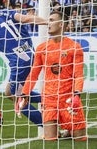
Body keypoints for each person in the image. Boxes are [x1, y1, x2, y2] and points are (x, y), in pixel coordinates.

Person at [20, 11, 87, 141]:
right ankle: (62, 130)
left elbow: (79, 75)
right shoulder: (42, 48)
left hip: (68, 99)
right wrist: (24, 93)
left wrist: (77, 94)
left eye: (51, 20)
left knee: (80, 139)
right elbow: (34, 74)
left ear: (61, 24)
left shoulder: (74, 47)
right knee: (50, 139)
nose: (48, 23)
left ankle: (69, 130)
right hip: (49, 99)